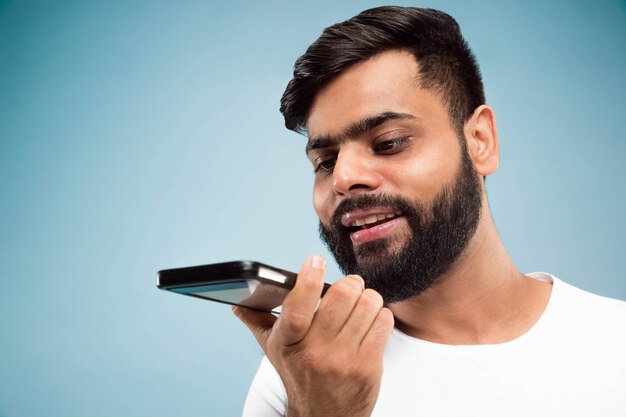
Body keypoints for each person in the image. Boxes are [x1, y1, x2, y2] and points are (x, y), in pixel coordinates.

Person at [233, 6, 626, 417]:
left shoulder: (616, 343)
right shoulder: (303, 372)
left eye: (389, 143)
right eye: (325, 162)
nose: (343, 179)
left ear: (480, 140)